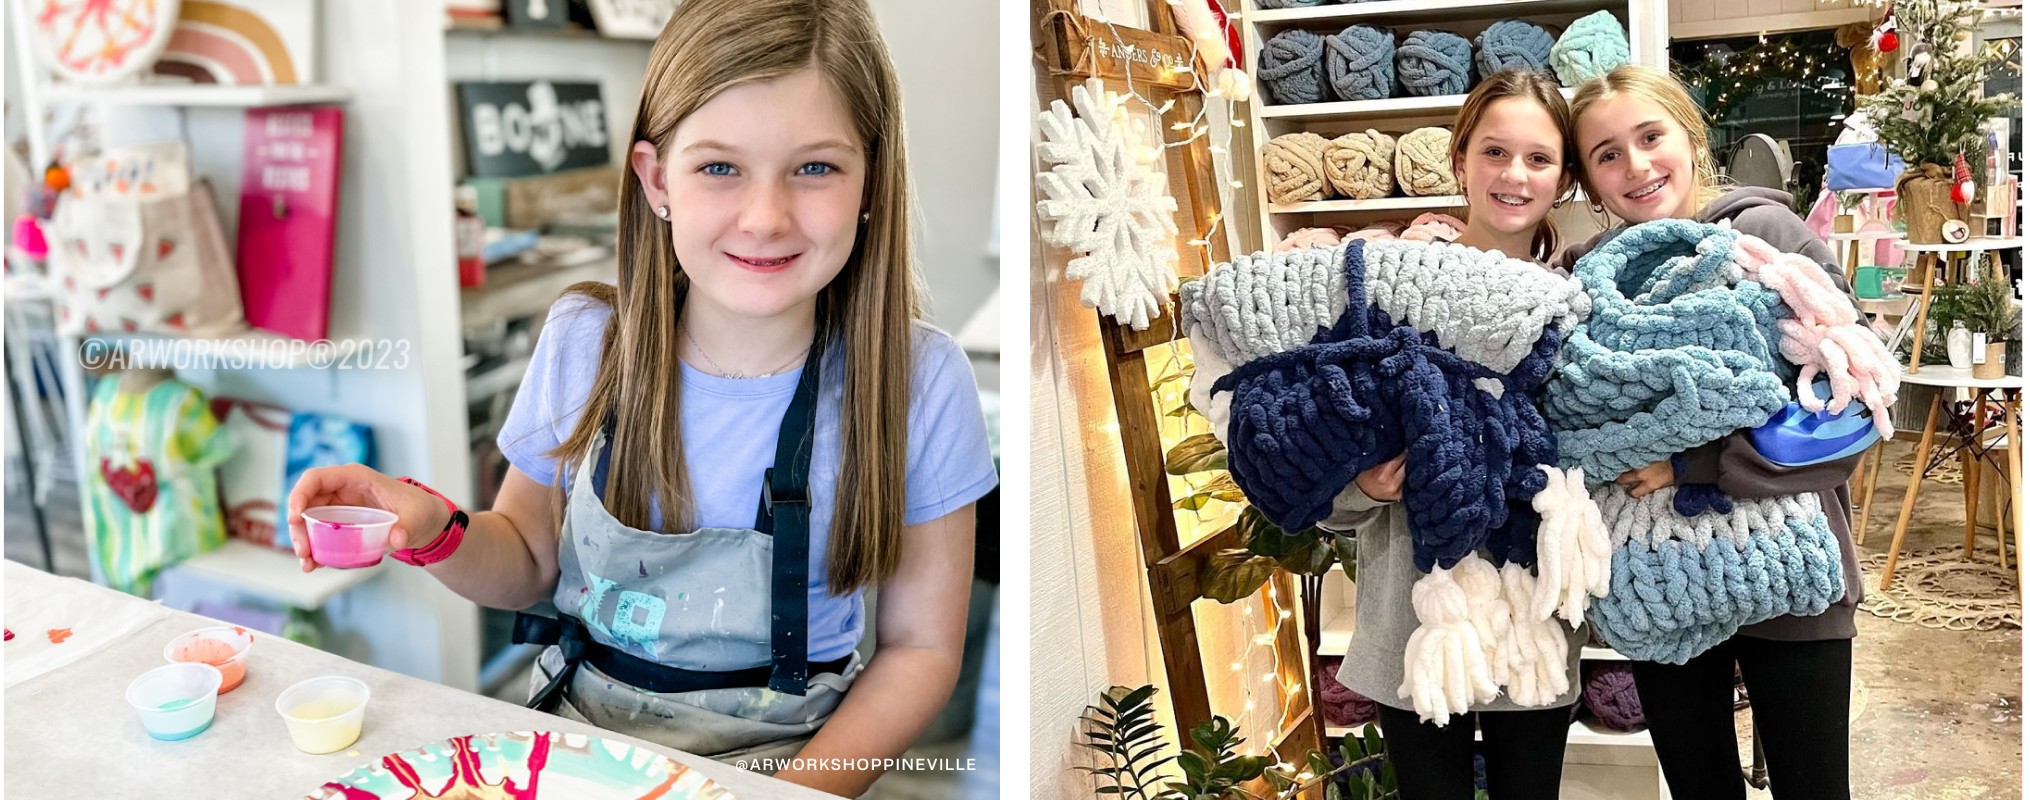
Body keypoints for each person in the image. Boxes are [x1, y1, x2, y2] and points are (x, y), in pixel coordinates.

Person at [284, 0, 997, 795]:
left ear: (873, 178)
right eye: (719, 167)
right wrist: (430, 528)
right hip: (572, 760)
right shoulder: (585, 340)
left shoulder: (919, 380)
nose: (766, 217)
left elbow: (921, 652)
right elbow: (525, 560)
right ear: (658, 180)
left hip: (787, 772)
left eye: (816, 167)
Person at [1555, 64, 1860, 800]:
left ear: (1689, 138)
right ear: (1589, 183)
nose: (1636, 165)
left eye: (1650, 136)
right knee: (1698, 787)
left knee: (1813, 786)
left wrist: (1691, 462)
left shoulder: (1764, 236)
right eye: (1606, 154)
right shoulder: (1588, 280)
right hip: (1658, 570)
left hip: (1790, 564)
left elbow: (1848, 402)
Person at [1327, 68, 1587, 800]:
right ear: (1459, 160)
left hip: (1529, 618)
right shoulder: (1384, 293)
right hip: (1412, 616)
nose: (1514, 174)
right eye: (1494, 152)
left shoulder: (1576, 310)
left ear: (1563, 177)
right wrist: (1360, 483)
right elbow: (1318, 450)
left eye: (1539, 158)